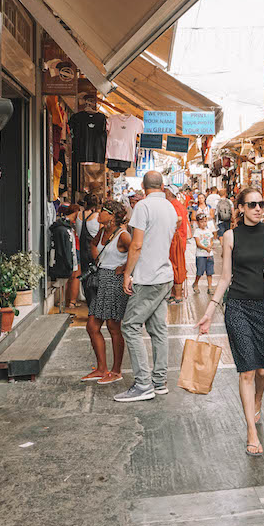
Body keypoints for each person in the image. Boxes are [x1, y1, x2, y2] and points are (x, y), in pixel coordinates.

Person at [198, 189, 264, 456]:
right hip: (237, 306)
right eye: (252, 204)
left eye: (262, 204)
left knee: (263, 371)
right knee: (247, 370)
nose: (259, 208)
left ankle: (257, 400)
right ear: (241, 208)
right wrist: (211, 310)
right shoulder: (230, 236)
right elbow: (225, 277)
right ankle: (251, 430)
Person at [114, 171, 180, 402]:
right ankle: (159, 382)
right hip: (164, 275)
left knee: (130, 327)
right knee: (158, 329)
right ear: (162, 186)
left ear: (143, 186)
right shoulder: (170, 207)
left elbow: (137, 245)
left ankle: (143, 384)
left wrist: (128, 274)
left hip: (148, 277)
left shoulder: (143, 207)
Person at [83, 200, 131, 385]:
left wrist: (125, 267)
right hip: (101, 281)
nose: (98, 214)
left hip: (114, 282)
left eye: (102, 211)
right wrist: (98, 261)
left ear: (111, 215)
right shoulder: (103, 231)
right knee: (92, 326)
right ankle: (102, 368)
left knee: (113, 326)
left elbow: (138, 252)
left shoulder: (123, 235)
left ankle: (116, 370)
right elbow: (93, 245)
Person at [164, 186, 189, 303]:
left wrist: (173, 230)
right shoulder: (177, 204)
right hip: (177, 239)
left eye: (165, 191)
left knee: (176, 265)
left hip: (176, 240)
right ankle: (174, 293)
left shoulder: (174, 205)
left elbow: (178, 219)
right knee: (175, 265)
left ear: (169, 193)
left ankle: (177, 295)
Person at [78, 195, 102, 306]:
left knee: (85, 277)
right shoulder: (98, 216)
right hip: (94, 251)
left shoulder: (78, 215)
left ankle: (89, 303)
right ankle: (95, 304)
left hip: (81, 251)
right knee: (96, 278)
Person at [193, 211, 216, 294]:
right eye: (201, 222)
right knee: (200, 271)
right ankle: (195, 283)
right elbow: (198, 243)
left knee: (210, 272)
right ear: (198, 222)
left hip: (209, 255)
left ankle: (210, 287)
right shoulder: (197, 231)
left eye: (205, 221)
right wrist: (206, 248)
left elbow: (211, 240)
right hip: (201, 255)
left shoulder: (208, 231)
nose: (203, 223)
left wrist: (210, 246)